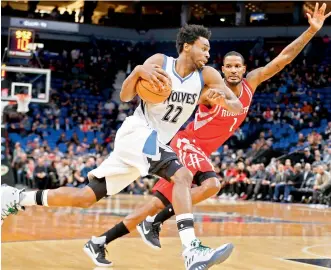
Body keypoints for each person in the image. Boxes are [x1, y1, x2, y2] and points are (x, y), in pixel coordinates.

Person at [82, 3, 331, 267]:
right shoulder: (210, 90)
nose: (234, 70)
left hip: (199, 153)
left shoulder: (252, 84)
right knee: (212, 185)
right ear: (222, 71)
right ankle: (162, 227)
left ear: (245, 69)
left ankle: (100, 241)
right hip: (186, 143)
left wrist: (311, 31)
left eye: (238, 66)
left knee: (154, 204)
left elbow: (284, 58)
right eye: (229, 66)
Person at [2, 24, 242, 270]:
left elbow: (236, 104)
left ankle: (16, 197)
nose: (208, 54)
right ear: (187, 46)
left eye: (209, 50)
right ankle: (191, 249)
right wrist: (138, 71)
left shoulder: (208, 75)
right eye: (204, 48)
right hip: (138, 132)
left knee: (85, 197)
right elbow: (126, 97)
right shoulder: (160, 62)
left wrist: (222, 100)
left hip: (152, 143)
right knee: (182, 175)